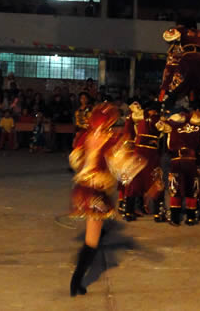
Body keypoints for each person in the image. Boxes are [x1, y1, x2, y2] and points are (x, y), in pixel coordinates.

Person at [68, 102, 145, 297]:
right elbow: (123, 169)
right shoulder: (110, 139)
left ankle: (77, 279)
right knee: (91, 241)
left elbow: (75, 160)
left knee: (97, 232)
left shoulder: (84, 136)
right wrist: (138, 177)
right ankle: (76, 281)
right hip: (96, 192)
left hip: (81, 190)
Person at [156, 110, 200, 226]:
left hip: (177, 160)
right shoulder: (199, 125)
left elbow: (159, 126)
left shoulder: (171, 123)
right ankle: (191, 217)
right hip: (192, 160)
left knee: (176, 188)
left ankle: (175, 218)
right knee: (191, 189)